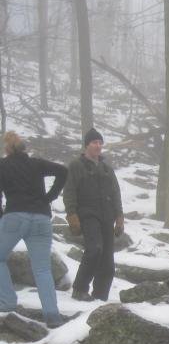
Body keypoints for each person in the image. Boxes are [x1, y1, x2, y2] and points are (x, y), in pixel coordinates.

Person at [0, 131, 68, 328]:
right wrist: (50, 197)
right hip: (42, 218)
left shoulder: (3, 166)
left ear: (7, 148)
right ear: (23, 148)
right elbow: (64, 171)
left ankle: (7, 302)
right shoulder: (36, 163)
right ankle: (52, 316)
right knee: (42, 268)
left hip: (15, 217)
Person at [62, 128, 124, 302]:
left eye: (100, 143)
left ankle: (100, 296)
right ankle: (80, 289)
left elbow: (116, 193)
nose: (98, 146)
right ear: (86, 145)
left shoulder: (107, 169)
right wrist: (72, 215)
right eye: (94, 142)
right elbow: (69, 192)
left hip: (107, 216)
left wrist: (119, 217)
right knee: (95, 249)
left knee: (108, 263)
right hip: (87, 214)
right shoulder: (76, 165)